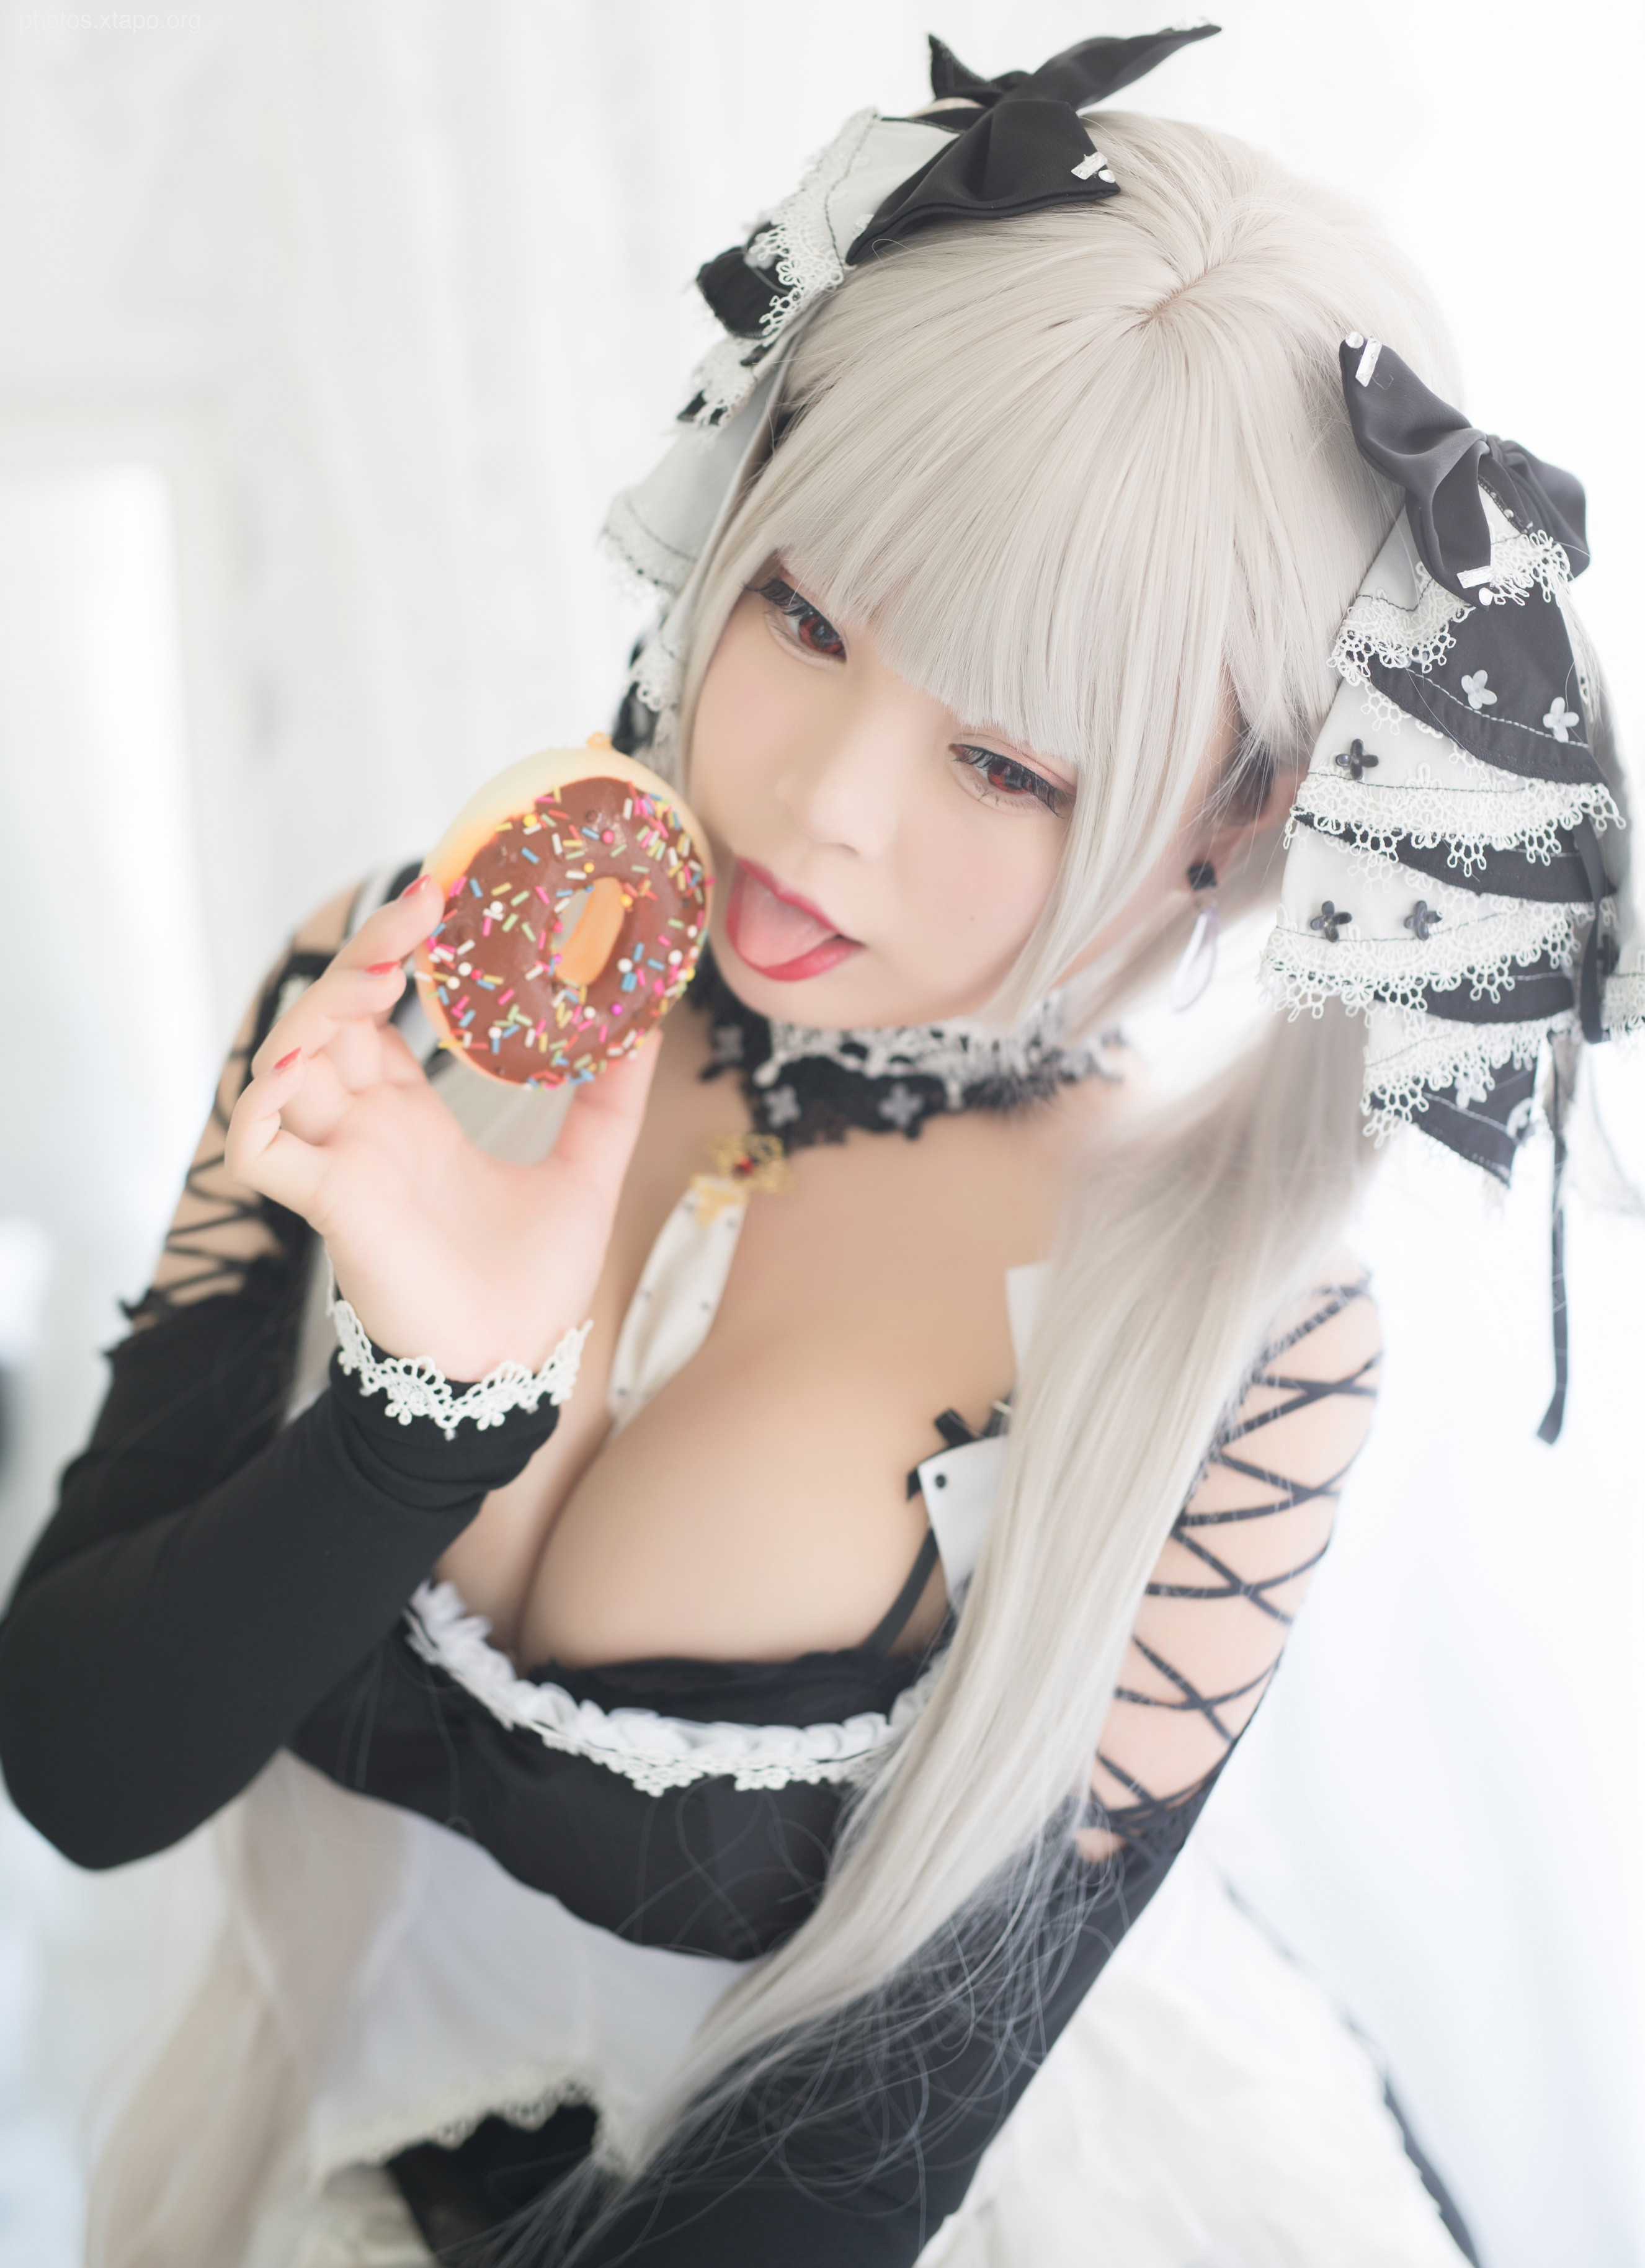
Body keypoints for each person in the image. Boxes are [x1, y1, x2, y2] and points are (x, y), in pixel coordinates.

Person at [0, 29, 1631, 2268]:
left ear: (1242, 810)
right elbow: (83, 1768)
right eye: (802, 614)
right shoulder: (395, 992)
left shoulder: (1233, 1327)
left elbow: (825, 2185)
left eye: (1003, 760)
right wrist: (417, 1414)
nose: (829, 799)